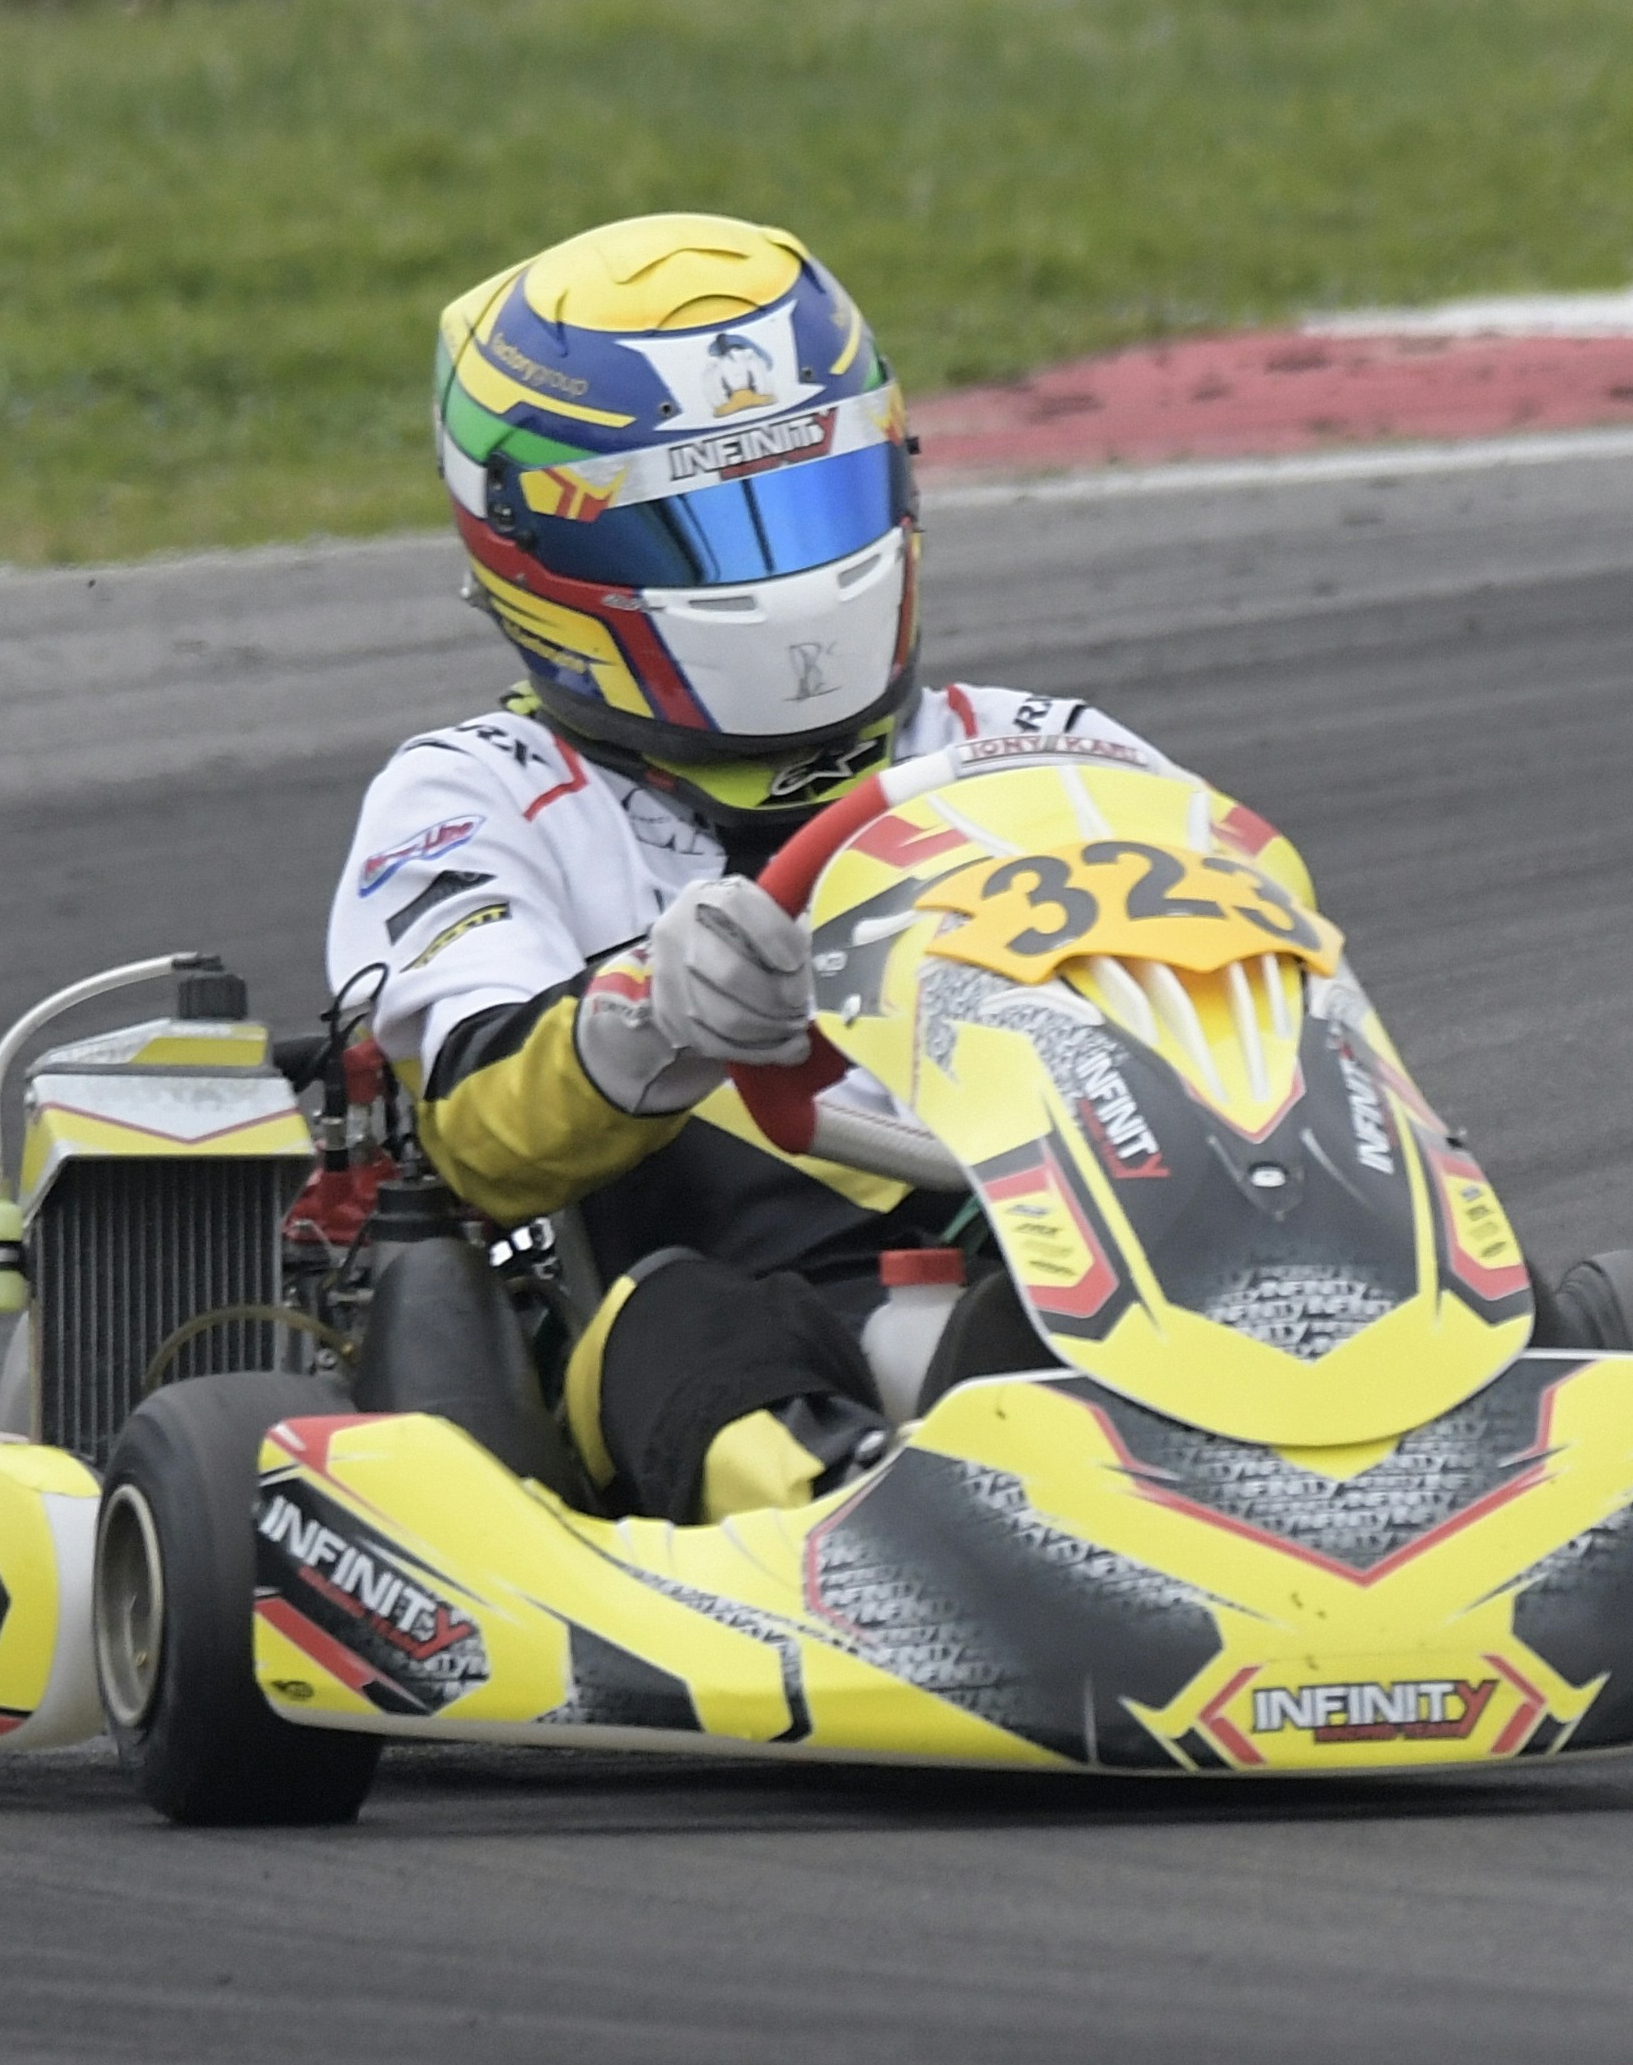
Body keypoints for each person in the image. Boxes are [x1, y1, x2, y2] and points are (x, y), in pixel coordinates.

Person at [326, 213, 1164, 1524]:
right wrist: (646, 1018)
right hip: (710, 1326)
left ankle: (1301, 1416)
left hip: (1061, 1262)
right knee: (687, 1315)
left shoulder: (1045, 754)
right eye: (695, 532)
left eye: (811, 501)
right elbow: (476, 1131)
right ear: (539, 543)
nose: (785, 579)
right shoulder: (476, 793)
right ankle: (887, 1522)